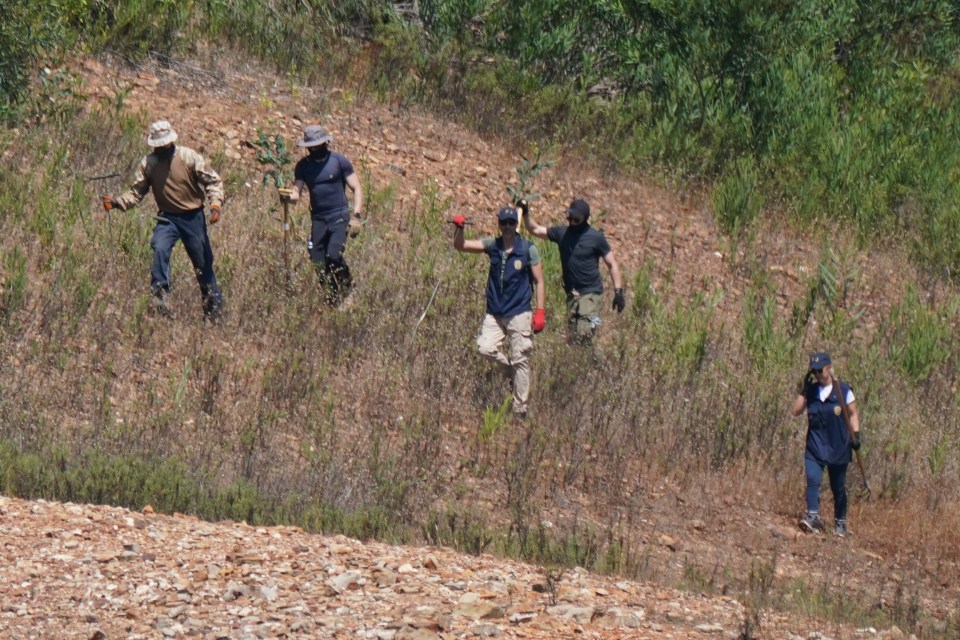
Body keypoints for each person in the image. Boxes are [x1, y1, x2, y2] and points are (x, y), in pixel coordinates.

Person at [101, 120, 225, 319]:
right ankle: (160, 297)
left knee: (203, 264)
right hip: (168, 218)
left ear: (171, 140)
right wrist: (117, 203)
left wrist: (215, 205)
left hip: (192, 217)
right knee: (159, 246)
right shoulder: (149, 163)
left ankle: (214, 311)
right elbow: (137, 191)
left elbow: (213, 181)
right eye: (158, 144)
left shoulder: (188, 156)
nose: (162, 147)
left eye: (164, 143)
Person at [452, 206, 546, 419]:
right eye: (503, 223)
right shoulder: (492, 245)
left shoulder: (528, 249)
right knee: (484, 348)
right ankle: (509, 372)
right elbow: (462, 245)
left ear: (516, 224)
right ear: (499, 224)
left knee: (520, 358)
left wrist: (540, 311)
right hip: (495, 312)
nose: (507, 227)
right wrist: (459, 228)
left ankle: (520, 409)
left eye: (511, 223)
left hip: (519, 312)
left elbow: (539, 281)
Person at [520, 198, 624, 344]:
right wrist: (525, 212)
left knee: (583, 335)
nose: (571, 220)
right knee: (575, 341)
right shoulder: (562, 233)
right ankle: (598, 365)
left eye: (576, 218)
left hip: (591, 295)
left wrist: (618, 292)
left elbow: (612, 263)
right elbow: (535, 229)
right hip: (572, 297)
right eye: (569, 216)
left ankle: (597, 364)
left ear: (585, 218)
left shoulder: (596, 238)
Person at [285, 124, 364, 306]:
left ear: (325, 143)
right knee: (318, 260)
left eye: (317, 145)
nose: (314, 149)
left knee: (334, 256)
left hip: (339, 215)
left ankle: (348, 288)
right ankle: (332, 298)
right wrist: (288, 196)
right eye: (310, 146)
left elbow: (356, 187)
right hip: (318, 219)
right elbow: (297, 192)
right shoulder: (303, 166)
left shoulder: (338, 161)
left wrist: (356, 216)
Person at [790, 352, 862, 537]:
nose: (817, 374)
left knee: (838, 487)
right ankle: (813, 517)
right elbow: (795, 411)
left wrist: (856, 435)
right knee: (813, 480)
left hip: (838, 447)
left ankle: (840, 523)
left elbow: (853, 413)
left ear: (828, 368)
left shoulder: (843, 391)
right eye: (813, 371)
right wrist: (803, 390)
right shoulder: (811, 391)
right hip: (815, 446)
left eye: (820, 370)